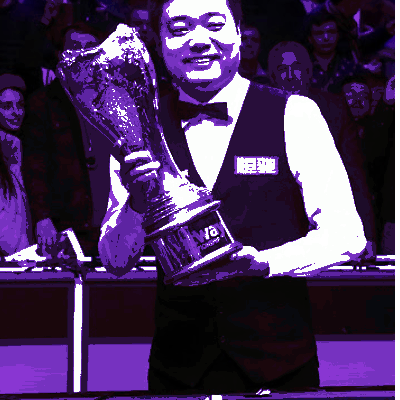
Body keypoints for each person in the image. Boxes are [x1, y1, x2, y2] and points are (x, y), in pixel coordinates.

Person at [98, 0, 366, 395]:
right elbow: (116, 261)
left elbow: (346, 235)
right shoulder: (136, 130)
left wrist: (266, 264)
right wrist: (135, 206)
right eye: (180, 28)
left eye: (214, 23)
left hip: (279, 366)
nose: (199, 40)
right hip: (179, 370)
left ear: (239, 34)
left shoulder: (295, 114)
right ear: (159, 43)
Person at [267, 41, 376, 260]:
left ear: (308, 72)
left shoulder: (334, 108)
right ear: (272, 76)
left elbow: (355, 175)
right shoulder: (260, 111)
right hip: (276, 225)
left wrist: (368, 235)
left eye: (296, 67)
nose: (290, 75)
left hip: (328, 223)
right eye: (282, 69)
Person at [22, 22, 110, 257]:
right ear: (60, 54)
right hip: (69, 227)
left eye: (90, 48)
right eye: (75, 47)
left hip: (114, 223)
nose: (82, 54)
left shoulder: (112, 100)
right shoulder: (43, 104)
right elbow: (34, 167)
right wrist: (42, 218)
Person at [0, 73, 32, 256]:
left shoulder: (20, 146)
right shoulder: (11, 146)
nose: (16, 112)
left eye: (20, 105)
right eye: (6, 106)